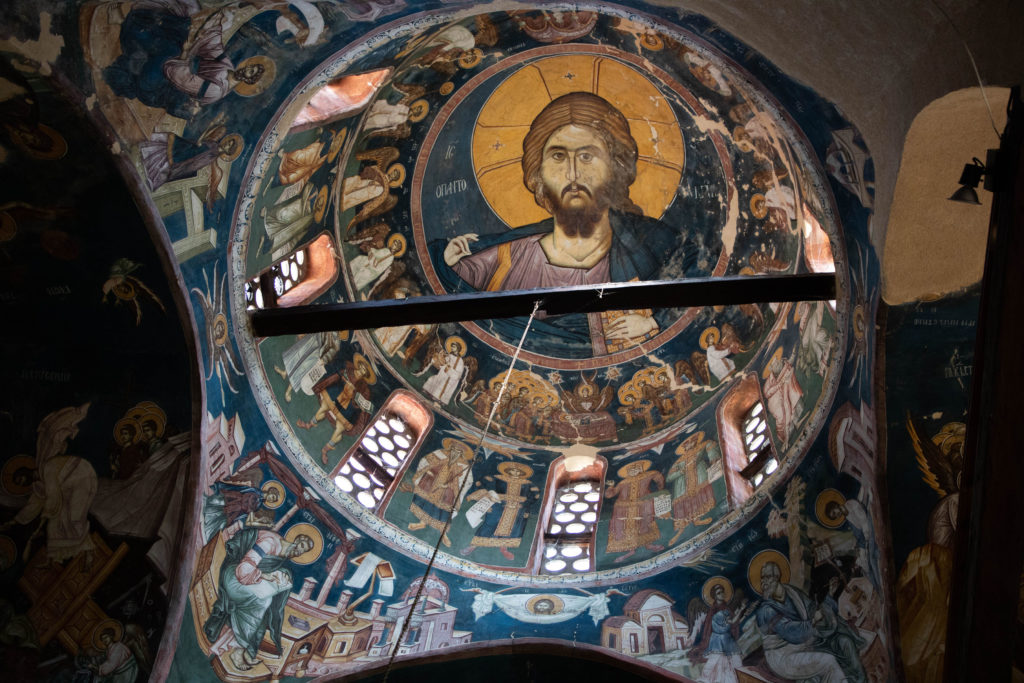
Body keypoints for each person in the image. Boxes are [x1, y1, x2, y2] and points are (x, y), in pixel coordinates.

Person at [432, 92, 702, 356]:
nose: (572, 173)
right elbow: (444, 281)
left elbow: (701, 275)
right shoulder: (501, 260)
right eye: (558, 156)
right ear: (538, 174)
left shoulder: (658, 248)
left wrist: (656, 321)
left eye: (587, 156)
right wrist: (447, 263)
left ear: (616, 168)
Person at [203, 516, 314, 671]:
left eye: (304, 551)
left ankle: (248, 651)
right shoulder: (270, 542)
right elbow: (243, 570)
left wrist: (279, 579)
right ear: (296, 539)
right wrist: (266, 576)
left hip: (250, 582)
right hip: (233, 577)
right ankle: (238, 649)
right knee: (262, 601)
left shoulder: (283, 557)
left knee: (265, 609)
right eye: (301, 545)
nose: (300, 551)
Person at [754, 561, 847, 682]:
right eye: (762, 578)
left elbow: (812, 609)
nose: (764, 582)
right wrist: (813, 621)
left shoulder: (792, 593)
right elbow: (792, 632)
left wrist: (829, 596)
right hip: (782, 656)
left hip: (802, 646)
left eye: (767, 577)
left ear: (777, 577)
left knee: (841, 644)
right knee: (829, 662)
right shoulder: (765, 610)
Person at [604, 460, 665, 563]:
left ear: (641, 469)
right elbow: (611, 494)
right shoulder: (623, 482)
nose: (633, 471)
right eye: (631, 470)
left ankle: (648, 544)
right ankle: (631, 550)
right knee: (627, 528)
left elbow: (657, 476)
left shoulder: (646, 476)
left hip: (642, 506)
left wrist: (660, 488)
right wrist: (610, 487)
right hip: (625, 509)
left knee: (644, 525)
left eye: (636, 468)